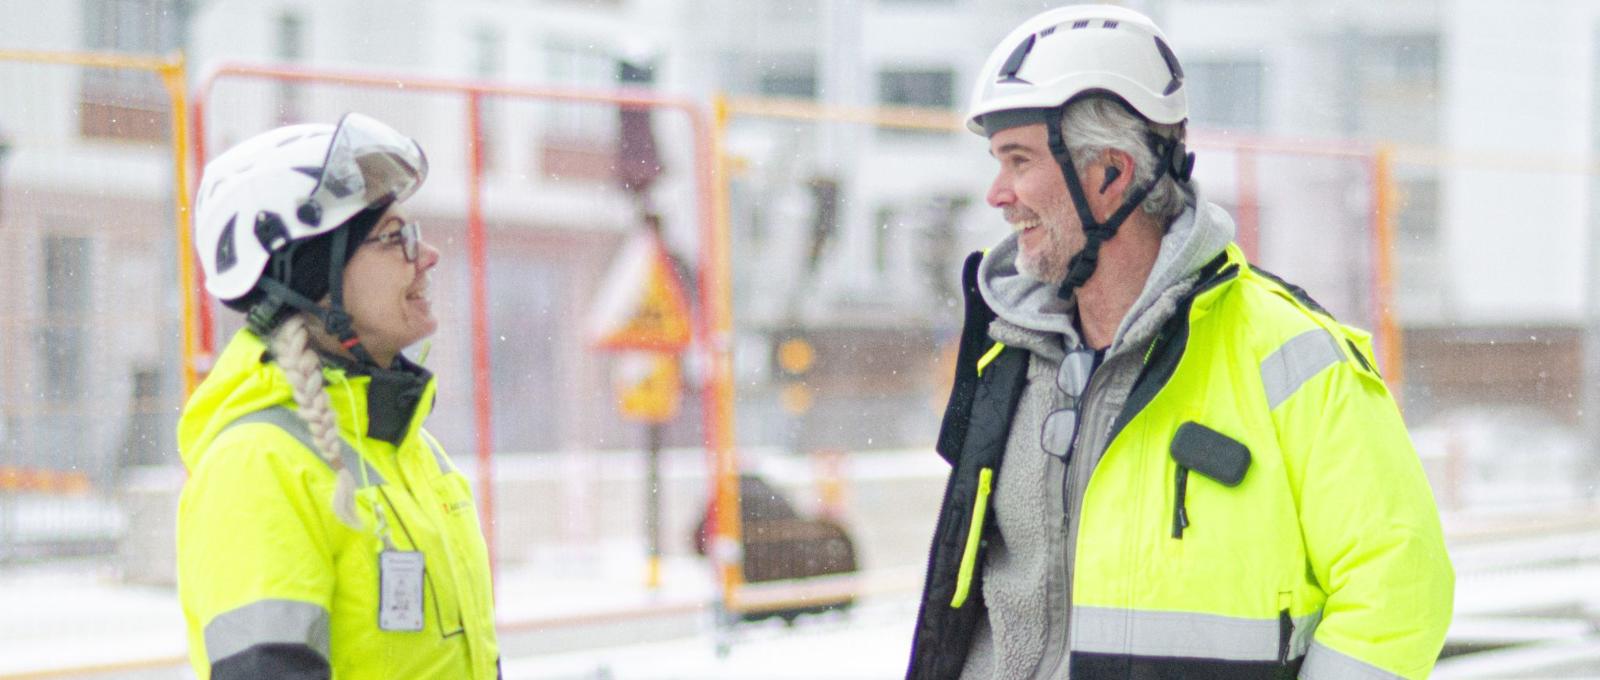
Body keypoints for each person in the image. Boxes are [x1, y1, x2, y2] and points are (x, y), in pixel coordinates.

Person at [907, 6, 1453, 679]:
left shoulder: (1292, 354)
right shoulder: (1005, 356)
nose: (997, 193)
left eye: (1018, 160)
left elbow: (1399, 588)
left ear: (1108, 175)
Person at [177, 113, 500, 679]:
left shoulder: (405, 448)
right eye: (394, 238)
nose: (427, 257)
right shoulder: (258, 465)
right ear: (312, 278)